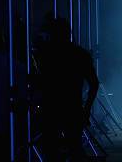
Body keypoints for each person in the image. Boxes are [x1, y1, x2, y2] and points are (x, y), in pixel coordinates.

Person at [39, 14, 99, 160]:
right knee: (74, 148)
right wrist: (86, 109)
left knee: (51, 151)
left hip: (51, 108)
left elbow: (39, 82)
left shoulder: (45, 55)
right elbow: (94, 84)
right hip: (73, 107)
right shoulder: (80, 54)